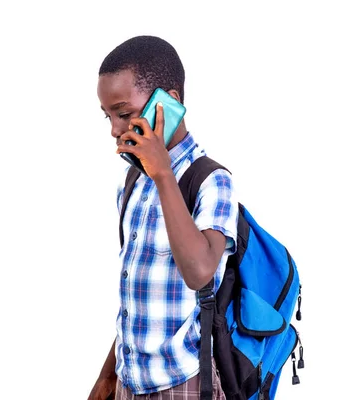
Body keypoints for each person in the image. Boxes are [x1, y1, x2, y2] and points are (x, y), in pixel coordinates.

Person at [89, 35, 239, 400]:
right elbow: (137, 297)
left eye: (123, 113)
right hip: (129, 382)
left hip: (182, 384)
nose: (114, 128)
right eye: (108, 116)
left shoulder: (210, 181)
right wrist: (108, 377)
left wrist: (164, 176)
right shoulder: (133, 182)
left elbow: (199, 272)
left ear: (169, 103)